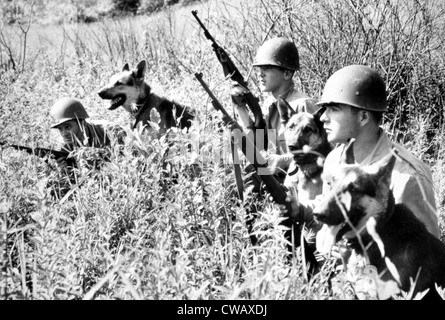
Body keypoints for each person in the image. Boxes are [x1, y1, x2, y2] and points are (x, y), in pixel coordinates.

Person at [282, 64, 440, 249]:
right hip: (337, 269)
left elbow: (427, 253)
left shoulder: (407, 177)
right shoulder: (334, 159)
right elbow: (330, 208)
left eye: (334, 109)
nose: (323, 117)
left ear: (363, 117)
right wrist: (298, 209)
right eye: (325, 109)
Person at [230, 37, 318, 247]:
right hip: (278, 194)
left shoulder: (301, 105)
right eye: (259, 68)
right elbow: (258, 147)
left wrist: (283, 160)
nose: (260, 73)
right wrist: (242, 110)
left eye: (268, 68)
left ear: (287, 73)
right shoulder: (271, 105)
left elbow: (322, 155)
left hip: (306, 199)